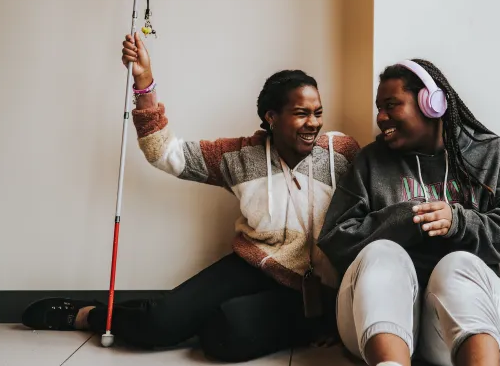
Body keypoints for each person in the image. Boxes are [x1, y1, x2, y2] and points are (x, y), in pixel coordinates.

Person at [21, 32, 360, 362]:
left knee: (224, 336)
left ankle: (238, 319)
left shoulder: (340, 152)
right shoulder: (240, 156)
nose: (313, 123)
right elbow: (163, 152)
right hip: (251, 265)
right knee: (160, 324)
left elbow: (369, 211)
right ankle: (86, 314)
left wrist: (336, 312)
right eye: (301, 113)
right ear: (271, 117)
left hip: (307, 289)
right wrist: (145, 84)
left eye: (317, 112)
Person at [316, 59, 500, 366]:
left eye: (392, 105)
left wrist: (459, 222)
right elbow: (334, 238)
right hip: (375, 322)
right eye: (379, 107)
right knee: (383, 252)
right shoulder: (372, 160)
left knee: (457, 264)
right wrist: (402, 220)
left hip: (458, 324)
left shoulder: (489, 153)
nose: (381, 117)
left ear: (432, 104)